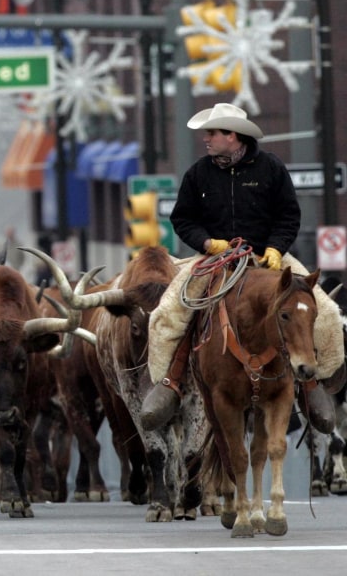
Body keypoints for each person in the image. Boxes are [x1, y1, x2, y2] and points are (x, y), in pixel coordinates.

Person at [142, 103, 344, 433]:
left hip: (269, 260)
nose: (206, 139)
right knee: (166, 312)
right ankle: (169, 381)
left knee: (326, 311)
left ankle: (313, 383)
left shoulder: (271, 169)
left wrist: (276, 249)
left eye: (212, 133)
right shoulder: (198, 173)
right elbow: (182, 219)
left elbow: (288, 215)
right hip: (215, 259)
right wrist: (208, 243)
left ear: (232, 136)